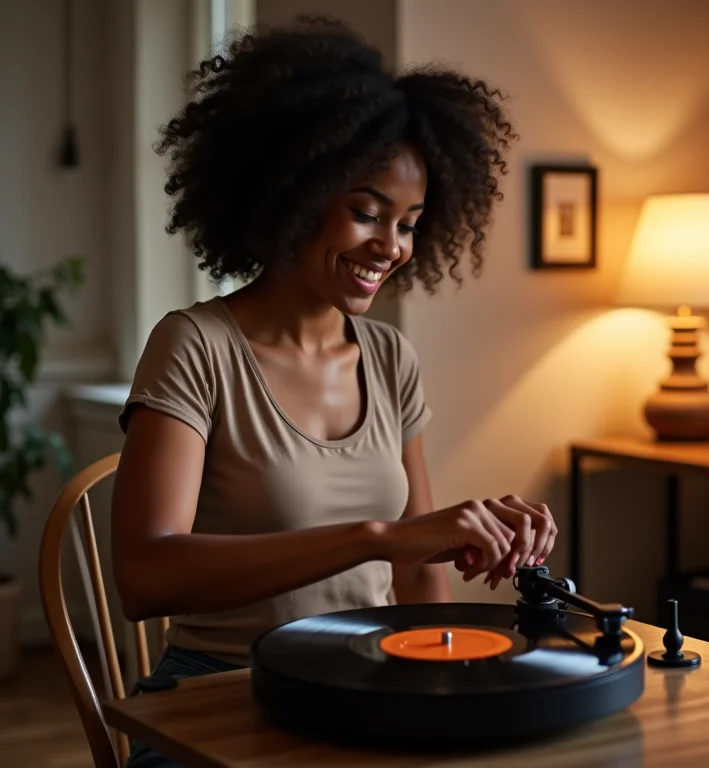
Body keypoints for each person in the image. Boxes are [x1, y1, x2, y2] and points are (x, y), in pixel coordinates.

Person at [111, 15, 558, 767]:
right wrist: (374, 538)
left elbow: (419, 573)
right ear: (293, 190)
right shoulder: (196, 346)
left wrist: (448, 687)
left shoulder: (389, 358)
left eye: (409, 224)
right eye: (366, 212)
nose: (391, 247)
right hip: (217, 696)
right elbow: (143, 577)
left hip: (362, 689)